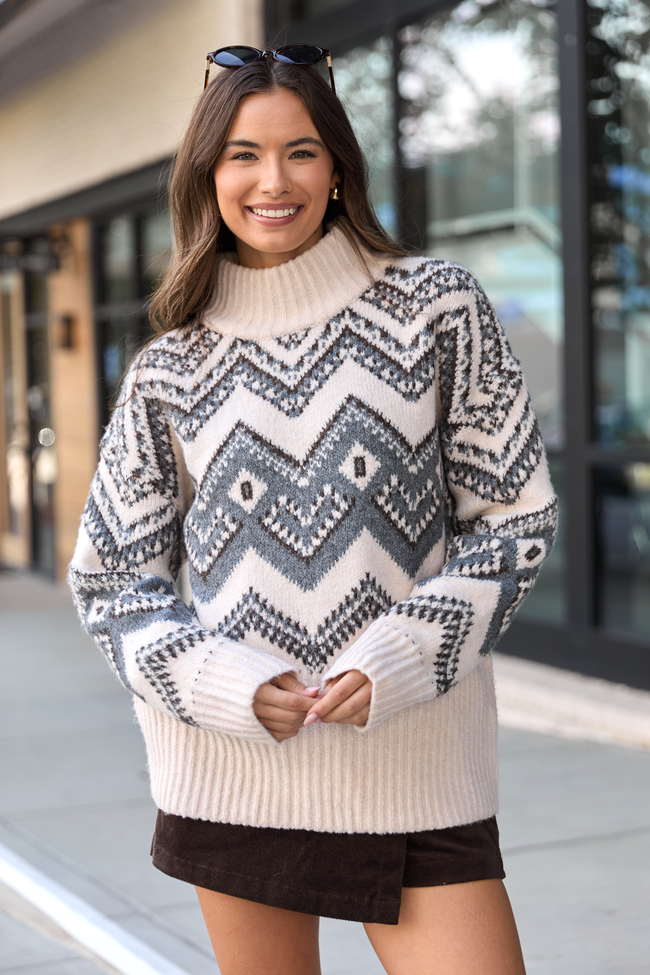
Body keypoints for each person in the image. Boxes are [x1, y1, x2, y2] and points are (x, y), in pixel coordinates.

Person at [69, 44, 558, 975]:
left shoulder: (436, 308)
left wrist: (406, 653)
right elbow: (112, 579)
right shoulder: (171, 368)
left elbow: (516, 520)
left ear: (337, 165)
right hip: (233, 766)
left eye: (300, 150)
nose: (272, 180)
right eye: (243, 156)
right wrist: (219, 681)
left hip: (414, 761)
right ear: (208, 176)